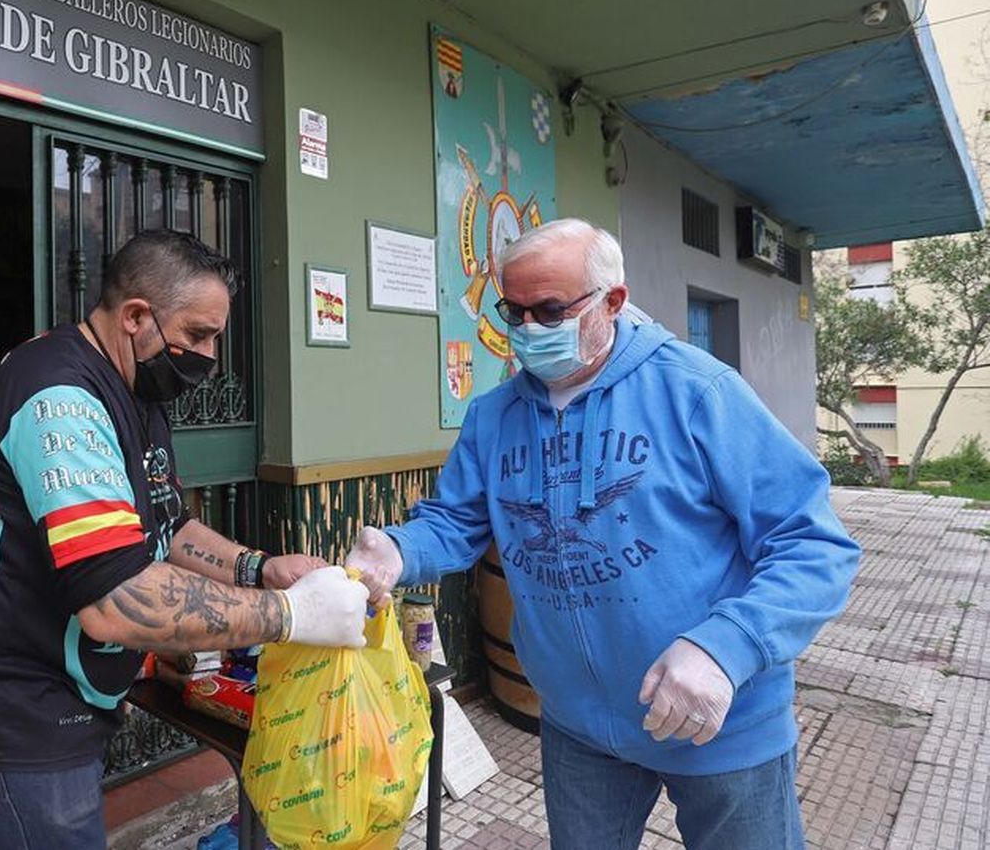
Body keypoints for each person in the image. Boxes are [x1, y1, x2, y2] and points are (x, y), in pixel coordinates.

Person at [345, 218, 860, 850]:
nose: (530, 330)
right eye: (516, 311)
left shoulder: (698, 392)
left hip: (718, 719)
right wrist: (398, 550)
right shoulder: (494, 416)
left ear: (612, 302)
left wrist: (731, 644)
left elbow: (812, 541)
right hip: (579, 727)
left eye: (551, 310)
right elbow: (455, 521)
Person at [0, 229, 367, 849]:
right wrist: (293, 615)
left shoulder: (136, 388)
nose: (207, 356)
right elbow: (114, 596)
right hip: (7, 712)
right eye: (198, 335)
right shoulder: (61, 399)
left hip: (59, 697)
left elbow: (164, 522)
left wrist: (259, 568)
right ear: (135, 317)